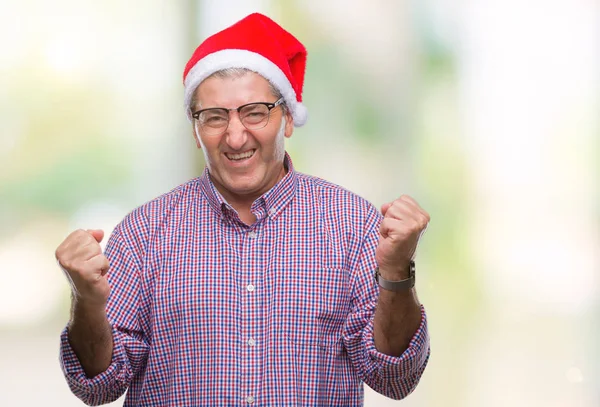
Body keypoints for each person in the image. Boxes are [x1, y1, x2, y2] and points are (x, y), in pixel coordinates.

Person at [55, 13, 430, 406]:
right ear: (195, 129)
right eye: (215, 117)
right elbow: (96, 387)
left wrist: (396, 273)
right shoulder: (143, 233)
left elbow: (394, 377)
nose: (235, 136)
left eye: (254, 112)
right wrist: (87, 301)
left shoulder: (354, 225)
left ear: (286, 119)